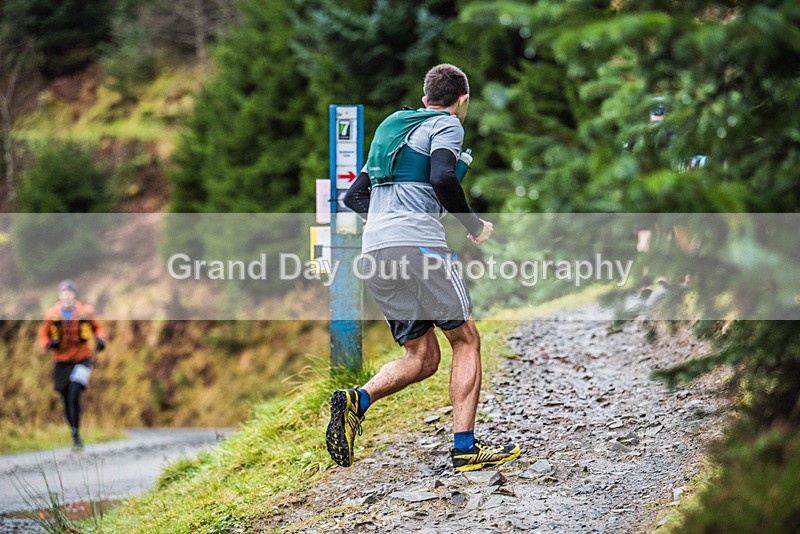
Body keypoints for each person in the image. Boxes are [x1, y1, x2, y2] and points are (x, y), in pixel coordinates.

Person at [326, 64, 520, 472]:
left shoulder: (390, 127)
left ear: (424, 97)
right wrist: (473, 226)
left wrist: (388, 224)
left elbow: (354, 196)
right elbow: (444, 178)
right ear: (462, 99)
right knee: (465, 339)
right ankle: (465, 448)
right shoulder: (446, 125)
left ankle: (356, 400)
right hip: (419, 248)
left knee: (422, 356)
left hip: (375, 252)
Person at [39, 279, 105, 450]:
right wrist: (48, 344)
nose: (67, 297)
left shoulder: (85, 312)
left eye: (70, 294)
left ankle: (77, 433)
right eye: (64, 294)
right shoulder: (52, 315)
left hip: (82, 359)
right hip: (61, 361)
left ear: (75, 296)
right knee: (64, 394)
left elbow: (97, 328)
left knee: (74, 392)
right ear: (60, 296)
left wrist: (100, 339)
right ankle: (73, 431)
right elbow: (43, 336)